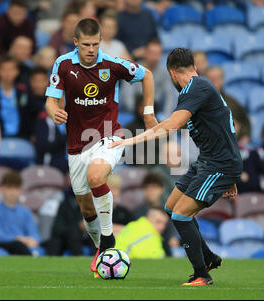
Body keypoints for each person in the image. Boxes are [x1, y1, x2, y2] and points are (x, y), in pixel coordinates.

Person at [110, 48, 242, 286]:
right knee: (171, 207)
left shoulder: (196, 88)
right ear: (193, 66)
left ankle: (202, 274)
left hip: (218, 164)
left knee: (182, 215)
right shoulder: (201, 89)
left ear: (172, 73)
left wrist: (130, 140)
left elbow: (173, 124)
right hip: (209, 161)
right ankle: (209, 257)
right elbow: (225, 125)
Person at [45, 18, 156, 277]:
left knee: (97, 177)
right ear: (76, 43)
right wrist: (54, 112)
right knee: (85, 207)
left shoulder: (112, 64)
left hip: (109, 135)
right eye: (86, 44)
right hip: (76, 145)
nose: (92, 49)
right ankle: (100, 249)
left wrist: (149, 112)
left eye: (96, 44)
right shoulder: (63, 64)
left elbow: (147, 75)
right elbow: (51, 100)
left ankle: (108, 240)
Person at [0, 171, 42, 255]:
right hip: (5, 244)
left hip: (22, 243)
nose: (12, 192)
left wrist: (33, 240)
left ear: (20, 190)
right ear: (1, 188)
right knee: (18, 245)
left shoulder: (26, 211)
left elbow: (33, 233)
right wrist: (18, 239)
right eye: (9, 187)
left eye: (16, 188)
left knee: (52, 243)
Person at [120, 38, 178, 116]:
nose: (155, 57)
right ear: (145, 53)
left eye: (158, 54)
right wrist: (140, 113)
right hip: (134, 114)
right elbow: (127, 97)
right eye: (152, 53)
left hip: (156, 113)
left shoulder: (164, 72)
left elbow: (170, 96)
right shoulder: (132, 70)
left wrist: (167, 116)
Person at [0, 55, 38, 140]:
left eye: (11, 69)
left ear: (17, 72)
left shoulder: (24, 92)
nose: (8, 73)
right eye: (4, 69)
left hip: (22, 137)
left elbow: (32, 114)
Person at [205, 66, 251, 143]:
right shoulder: (196, 102)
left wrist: (244, 135)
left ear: (222, 80)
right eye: (211, 79)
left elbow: (245, 122)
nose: (214, 82)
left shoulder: (232, 102)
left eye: (217, 79)